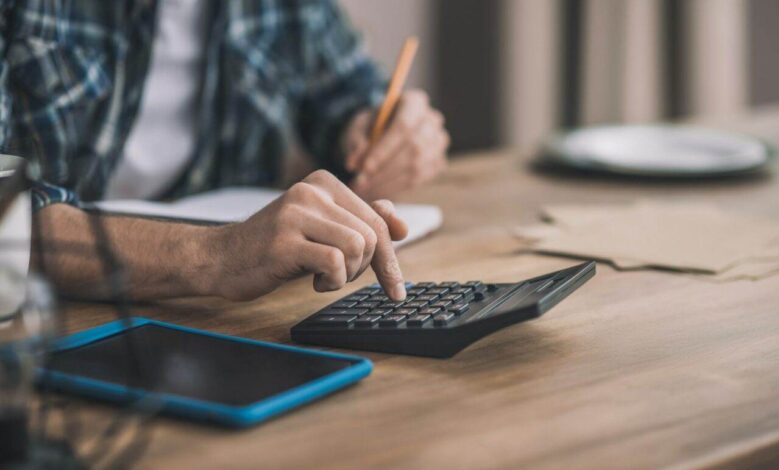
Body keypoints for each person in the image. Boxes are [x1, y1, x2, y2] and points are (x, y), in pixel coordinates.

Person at [0, 1, 450, 301]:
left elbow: (349, 98)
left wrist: (381, 132)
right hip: (40, 327)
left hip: (218, 320)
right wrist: (215, 255)